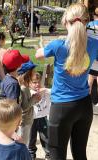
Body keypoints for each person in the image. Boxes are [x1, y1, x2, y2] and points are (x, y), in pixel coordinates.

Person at [35, 3, 98, 159]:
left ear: (65, 22)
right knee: (80, 154)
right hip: (84, 106)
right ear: (86, 22)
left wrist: (43, 47)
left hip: (62, 108)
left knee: (57, 155)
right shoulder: (94, 43)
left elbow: (38, 54)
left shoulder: (58, 45)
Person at [17, 61, 41, 145]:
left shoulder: (26, 87)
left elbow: (28, 104)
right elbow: (24, 107)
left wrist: (34, 100)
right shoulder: (23, 88)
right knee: (23, 144)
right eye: (33, 71)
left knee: (25, 142)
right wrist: (33, 98)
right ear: (28, 73)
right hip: (24, 121)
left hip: (28, 120)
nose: (34, 72)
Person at [28, 72, 50, 160]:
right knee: (31, 138)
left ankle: (48, 154)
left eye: (38, 82)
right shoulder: (28, 92)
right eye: (34, 82)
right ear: (29, 83)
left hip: (42, 117)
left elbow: (54, 91)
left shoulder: (45, 91)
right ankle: (31, 155)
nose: (37, 84)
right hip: (31, 119)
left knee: (45, 137)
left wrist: (44, 90)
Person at [87, 7, 98, 105]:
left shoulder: (90, 25)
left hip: (92, 57)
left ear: (94, 15)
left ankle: (86, 102)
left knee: (89, 81)